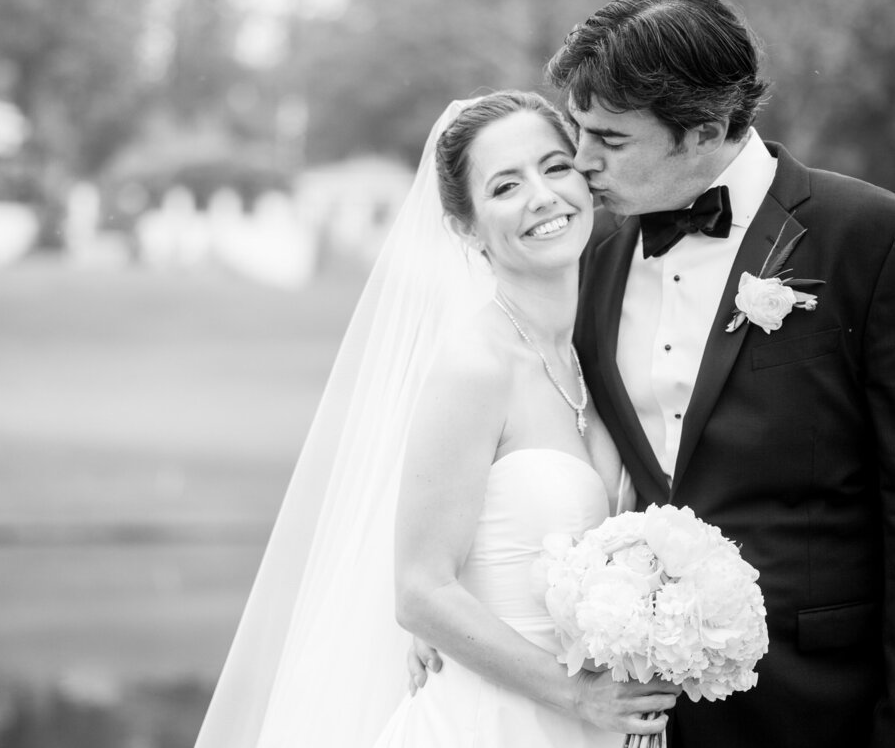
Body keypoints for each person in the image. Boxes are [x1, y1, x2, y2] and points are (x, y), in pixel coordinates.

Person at [415, 0, 895, 748]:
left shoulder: (877, 241)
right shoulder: (597, 256)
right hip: (645, 721)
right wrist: (461, 609)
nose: (582, 164)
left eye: (609, 140)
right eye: (577, 131)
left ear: (704, 127)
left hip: (827, 709)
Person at [194, 91, 677, 748]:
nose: (541, 195)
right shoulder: (474, 366)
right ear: (466, 226)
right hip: (490, 723)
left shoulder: (603, 349)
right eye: (506, 184)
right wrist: (578, 695)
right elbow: (421, 591)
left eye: (555, 166)